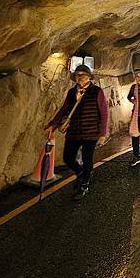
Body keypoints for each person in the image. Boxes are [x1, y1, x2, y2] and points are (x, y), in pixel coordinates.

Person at [45, 64, 108, 200]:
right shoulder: (71, 92)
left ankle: (84, 184)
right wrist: (53, 125)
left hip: (91, 132)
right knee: (68, 158)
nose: (80, 77)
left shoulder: (97, 91)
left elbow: (104, 113)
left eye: (83, 74)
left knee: (87, 160)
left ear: (89, 77)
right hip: (74, 131)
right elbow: (64, 110)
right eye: (77, 74)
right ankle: (81, 173)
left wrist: (102, 134)